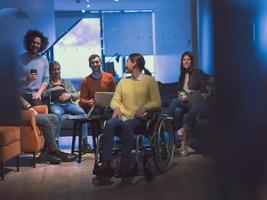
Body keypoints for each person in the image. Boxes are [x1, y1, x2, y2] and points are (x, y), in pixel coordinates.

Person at [93, 53, 161, 177]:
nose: (125, 64)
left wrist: (145, 107)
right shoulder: (123, 82)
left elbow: (157, 102)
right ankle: (106, 163)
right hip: (122, 118)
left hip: (140, 121)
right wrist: (117, 108)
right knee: (109, 123)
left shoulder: (149, 81)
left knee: (128, 125)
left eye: (128, 61)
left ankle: (126, 164)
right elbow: (115, 100)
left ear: (134, 64)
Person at [42, 61, 91, 152]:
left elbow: (77, 94)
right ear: (50, 71)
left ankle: (84, 143)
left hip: (69, 104)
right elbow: (42, 94)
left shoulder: (66, 82)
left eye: (58, 69)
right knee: (57, 115)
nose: (56, 71)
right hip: (56, 105)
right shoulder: (47, 83)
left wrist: (69, 95)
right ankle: (55, 143)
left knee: (83, 113)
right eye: (54, 70)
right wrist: (53, 89)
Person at [167, 51, 208, 156]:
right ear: (181, 62)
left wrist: (193, 91)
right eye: (184, 60)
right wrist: (184, 94)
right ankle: (178, 141)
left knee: (174, 101)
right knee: (177, 110)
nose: (186, 62)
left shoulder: (198, 72)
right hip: (185, 101)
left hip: (195, 101)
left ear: (192, 61)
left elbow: (203, 90)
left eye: (188, 59)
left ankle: (168, 127)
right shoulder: (181, 76)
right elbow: (180, 92)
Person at [20, 97, 78, 164]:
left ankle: (45, 153)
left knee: (54, 118)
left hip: (26, 112)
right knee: (45, 120)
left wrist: (29, 107)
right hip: (18, 115)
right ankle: (54, 151)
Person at [18, 29, 50, 106]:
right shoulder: (19, 59)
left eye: (38, 43)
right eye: (33, 42)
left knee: (40, 114)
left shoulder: (44, 59)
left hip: (36, 95)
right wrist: (26, 79)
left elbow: (46, 79)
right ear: (28, 43)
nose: (35, 45)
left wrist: (39, 93)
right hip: (21, 95)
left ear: (41, 45)